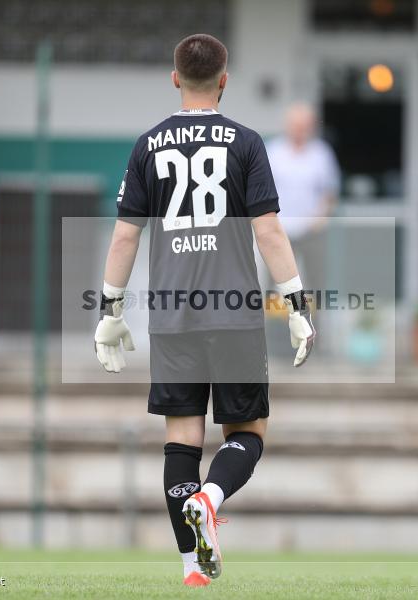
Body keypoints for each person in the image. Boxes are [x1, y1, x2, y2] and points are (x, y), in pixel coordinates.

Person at [92, 34, 314, 587]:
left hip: (173, 316)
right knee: (249, 431)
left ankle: (194, 567)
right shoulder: (246, 142)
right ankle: (212, 499)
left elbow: (125, 238)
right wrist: (297, 304)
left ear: (174, 77)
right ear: (224, 78)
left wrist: (110, 311)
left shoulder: (147, 145)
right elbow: (268, 231)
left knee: (181, 440)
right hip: (234, 312)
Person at [265, 103, 341, 294]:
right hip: (279, 231)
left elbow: (330, 192)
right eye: (296, 125)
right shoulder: (273, 151)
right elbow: (260, 190)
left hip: (311, 231)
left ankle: (313, 324)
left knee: (316, 284)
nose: (299, 130)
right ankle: (278, 324)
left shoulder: (322, 154)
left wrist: (321, 218)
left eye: (304, 125)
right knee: (278, 285)